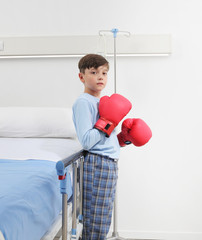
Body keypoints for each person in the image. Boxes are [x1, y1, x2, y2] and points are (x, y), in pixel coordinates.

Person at [72, 54, 130, 240]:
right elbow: (87, 141)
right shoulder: (83, 102)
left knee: (103, 217)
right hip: (97, 163)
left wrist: (124, 138)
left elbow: (105, 138)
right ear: (82, 77)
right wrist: (108, 122)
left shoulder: (103, 102)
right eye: (94, 72)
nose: (100, 77)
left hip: (109, 163)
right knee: (96, 219)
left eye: (104, 73)